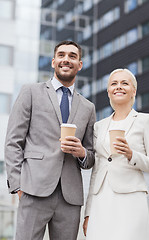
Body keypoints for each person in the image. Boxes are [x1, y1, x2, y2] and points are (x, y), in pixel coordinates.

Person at [5, 40, 96, 240]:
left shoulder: (88, 107)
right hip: (33, 189)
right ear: (53, 61)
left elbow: (91, 157)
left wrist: (81, 152)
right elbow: (13, 141)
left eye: (72, 56)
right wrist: (17, 185)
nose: (66, 59)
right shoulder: (31, 92)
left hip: (70, 198)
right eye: (61, 55)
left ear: (80, 65)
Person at [83, 68, 149, 240]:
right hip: (101, 200)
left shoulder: (146, 121)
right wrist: (88, 212)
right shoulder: (99, 126)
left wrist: (131, 155)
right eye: (114, 83)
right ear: (108, 91)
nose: (118, 87)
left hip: (131, 199)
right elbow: (95, 171)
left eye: (124, 83)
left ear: (133, 90)